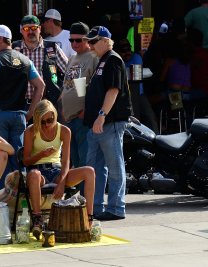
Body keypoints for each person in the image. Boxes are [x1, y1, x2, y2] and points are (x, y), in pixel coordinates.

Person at [0, 24, 45, 190]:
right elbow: (41, 85)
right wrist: (31, 112)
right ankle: (18, 200)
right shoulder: (25, 60)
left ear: (1, 39)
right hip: (19, 116)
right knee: (18, 159)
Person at [23, 100, 95, 237]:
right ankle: (37, 219)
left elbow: (66, 160)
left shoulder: (64, 130)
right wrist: (41, 154)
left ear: (55, 116)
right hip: (38, 170)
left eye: (50, 120)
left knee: (89, 171)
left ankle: (89, 217)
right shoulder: (31, 131)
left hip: (57, 170)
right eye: (42, 122)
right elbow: (26, 161)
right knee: (33, 175)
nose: (46, 125)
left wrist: (61, 182)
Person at [83, 26, 132, 221]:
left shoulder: (112, 59)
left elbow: (113, 91)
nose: (90, 45)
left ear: (105, 41)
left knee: (114, 165)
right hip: (98, 123)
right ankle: (94, 207)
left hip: (109, 122)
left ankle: (116, 208)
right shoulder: (102, 60)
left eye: (94, 41)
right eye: (90, 41)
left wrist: (102, 115)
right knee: (94, 166)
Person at [13, 15, 67, 114]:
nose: (30, 32)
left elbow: (69, 73)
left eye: (34, 28)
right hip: (20, 104)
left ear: (40, 29)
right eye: (26, 28)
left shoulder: (52, 48)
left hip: (46, 104)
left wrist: (62, 95)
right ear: (21, 30)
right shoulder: (14, 49)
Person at [63, 22, 98, 168]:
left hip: (83, 118)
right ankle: (80, 190)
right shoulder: (72, 58)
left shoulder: (93, 57)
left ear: (87, 39)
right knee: (75, 160)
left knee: (85, 160)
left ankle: (87, 191)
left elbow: (96, 88)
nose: (74, 43)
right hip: (69, 118)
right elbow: (70, 85)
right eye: (71, 40)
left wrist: (86, 111)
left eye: (78, 40)